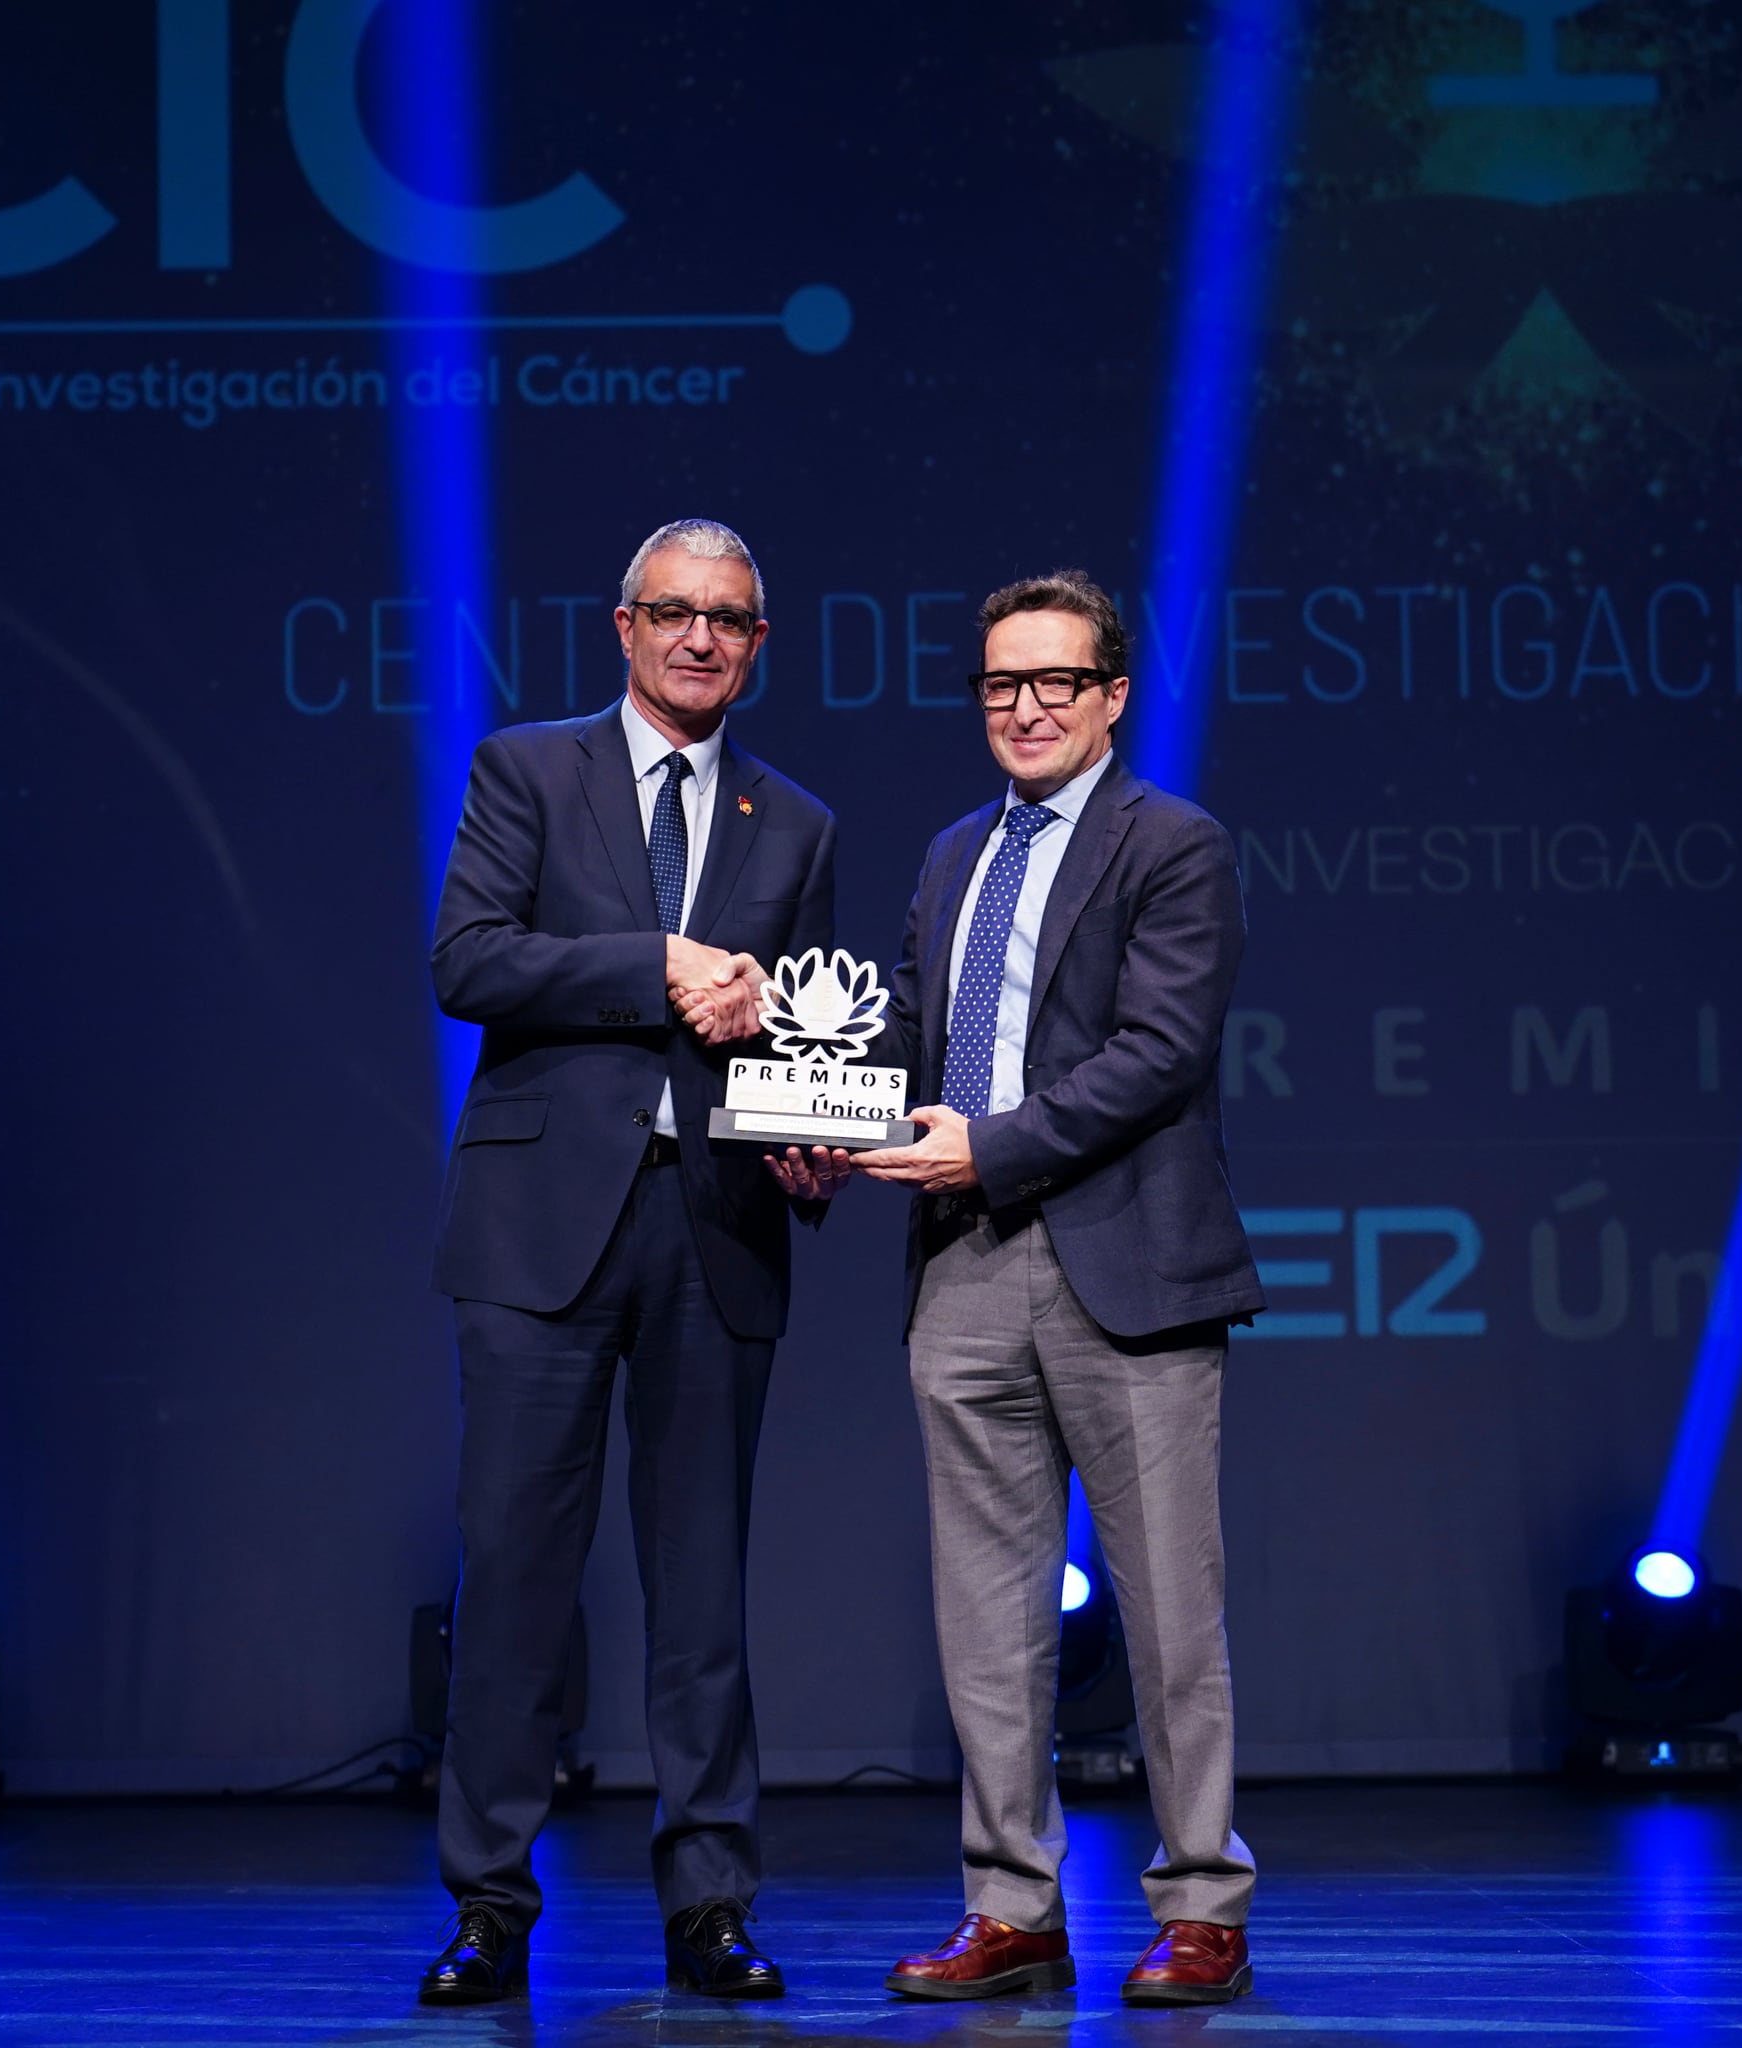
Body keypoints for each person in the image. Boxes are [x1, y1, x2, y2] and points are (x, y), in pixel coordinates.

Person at [419, 518, 852, 2005]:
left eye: (727, 620)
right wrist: (653, 966)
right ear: (624, 627)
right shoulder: (529, 771)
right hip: (538, 1230)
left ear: (758, 644)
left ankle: (710, 1905)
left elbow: (806, 1040)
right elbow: (468, 960)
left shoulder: (797, 824)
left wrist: (811, 1142)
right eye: (673, 613)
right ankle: (488, 1904)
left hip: (713, 1230)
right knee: (515, 1579)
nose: (698, 639)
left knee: (703, 1592)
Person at [858, 569, 1266, 2007]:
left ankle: (1202, 1902)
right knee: (985, 1613)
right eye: (1001, 684)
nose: (1026, 708)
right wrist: (821, 1127)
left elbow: (1159, 1053)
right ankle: (1011, 1908)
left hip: (1127, 1263)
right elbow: (911, 1035)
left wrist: (989, 1148)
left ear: (1112, 696)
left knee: (1169, 1612)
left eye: (1056, 682)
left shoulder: (1175, 843)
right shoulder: (950, 854)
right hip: (964, 1265)